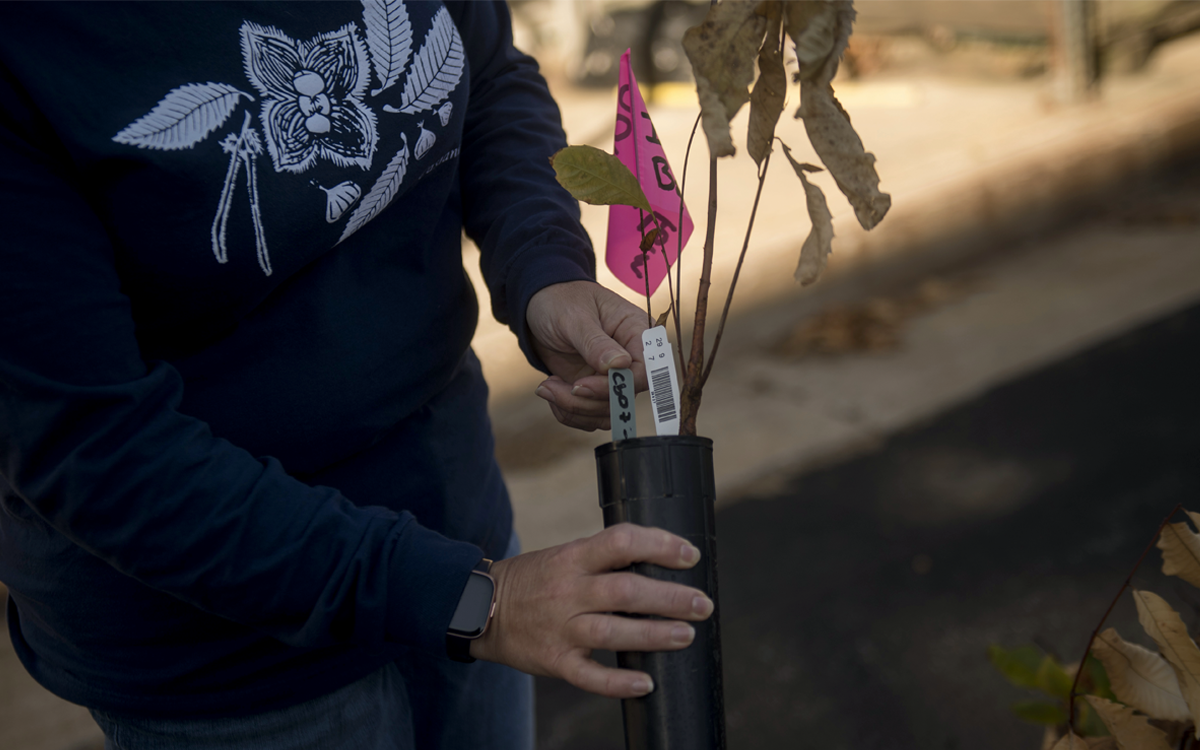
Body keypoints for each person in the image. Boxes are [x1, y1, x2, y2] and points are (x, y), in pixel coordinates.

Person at [0, 2, 711, 748]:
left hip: (458, 525)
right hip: (232, 653)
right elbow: (94, 452)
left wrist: (543, 270)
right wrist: (473, 602)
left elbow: (486, 72)